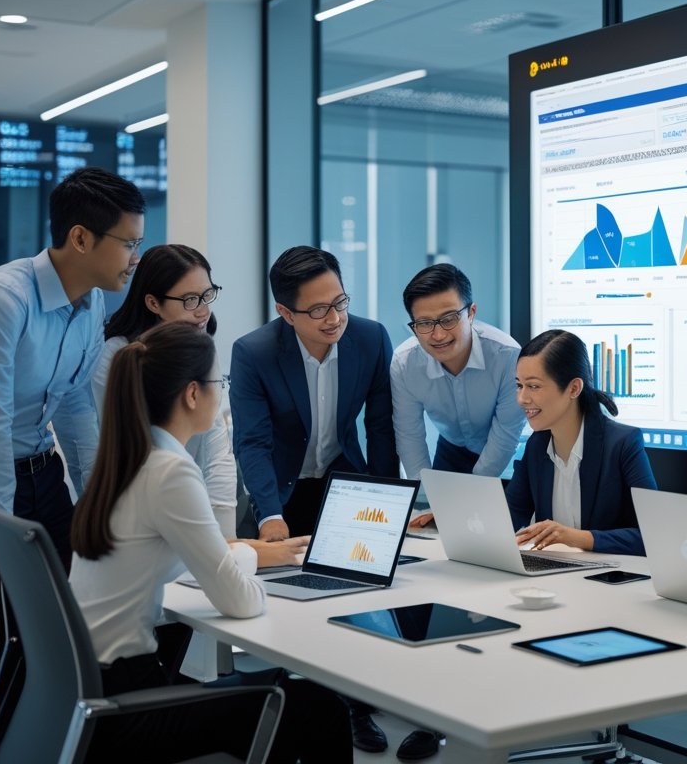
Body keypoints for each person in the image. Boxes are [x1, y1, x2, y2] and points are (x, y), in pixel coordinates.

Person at [0, 166, 144, 763]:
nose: (134, 258)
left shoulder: (89, 305)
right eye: (128, 243)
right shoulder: (1, 297)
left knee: (58, 648)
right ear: (80, 239)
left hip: (41, 480)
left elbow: (72, 408)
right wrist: (3, 530)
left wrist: (101, 502)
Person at [70, 322, 351, 763]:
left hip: (94, 686)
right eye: (219, 382)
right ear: (192, 394)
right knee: (318, 707)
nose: (223, 393)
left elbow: (177, 560)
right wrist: (251, 571)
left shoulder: (127, 456)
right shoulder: (170, 471)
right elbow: (240, 603)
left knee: (279, 695)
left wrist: (239, 555)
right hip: (131, 706)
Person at [229, 245, 398, 755]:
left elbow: (381, 427)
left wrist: (388, 501)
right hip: (280, 490)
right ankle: (298, 710)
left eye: (340, 302)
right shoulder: (254, 351)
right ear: (285, 312)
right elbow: (252, 442)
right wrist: (270, 515)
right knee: (292, 611)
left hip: (343, 483)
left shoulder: (369, 337)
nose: (335, 318)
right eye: (319, 309)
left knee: (359, 597)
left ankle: (356, 708)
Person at [92, 244, 238, 535]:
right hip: (134, 512)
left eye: (208, 295)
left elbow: (216, 448)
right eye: (190, 300)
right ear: (153, 303)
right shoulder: (118, 355)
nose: (203, 310)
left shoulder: (203, 346)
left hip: (188, 499)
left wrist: (226, 533)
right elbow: (127, 450)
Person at [390, 263, 525, 527]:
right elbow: (409, 436)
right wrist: (429, 502)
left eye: (449, 319)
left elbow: (506, 434)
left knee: (498, 531)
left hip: (503, 453)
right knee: (438, 532)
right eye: (425, 323)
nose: (438, 335)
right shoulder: (405, 363)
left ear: (471, 312)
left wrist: (464, 501)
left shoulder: (507, 355)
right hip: (451, 449)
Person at [506, 329, 657, 556]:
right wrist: (454, 518)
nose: (522, 399)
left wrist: (578, 538)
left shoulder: (623, 444)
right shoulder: (537, 446)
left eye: (534, 386)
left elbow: (654, 535)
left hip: (608, 578)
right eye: (519, 385)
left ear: (574, 388)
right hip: (557, 575)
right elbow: (509, 515)